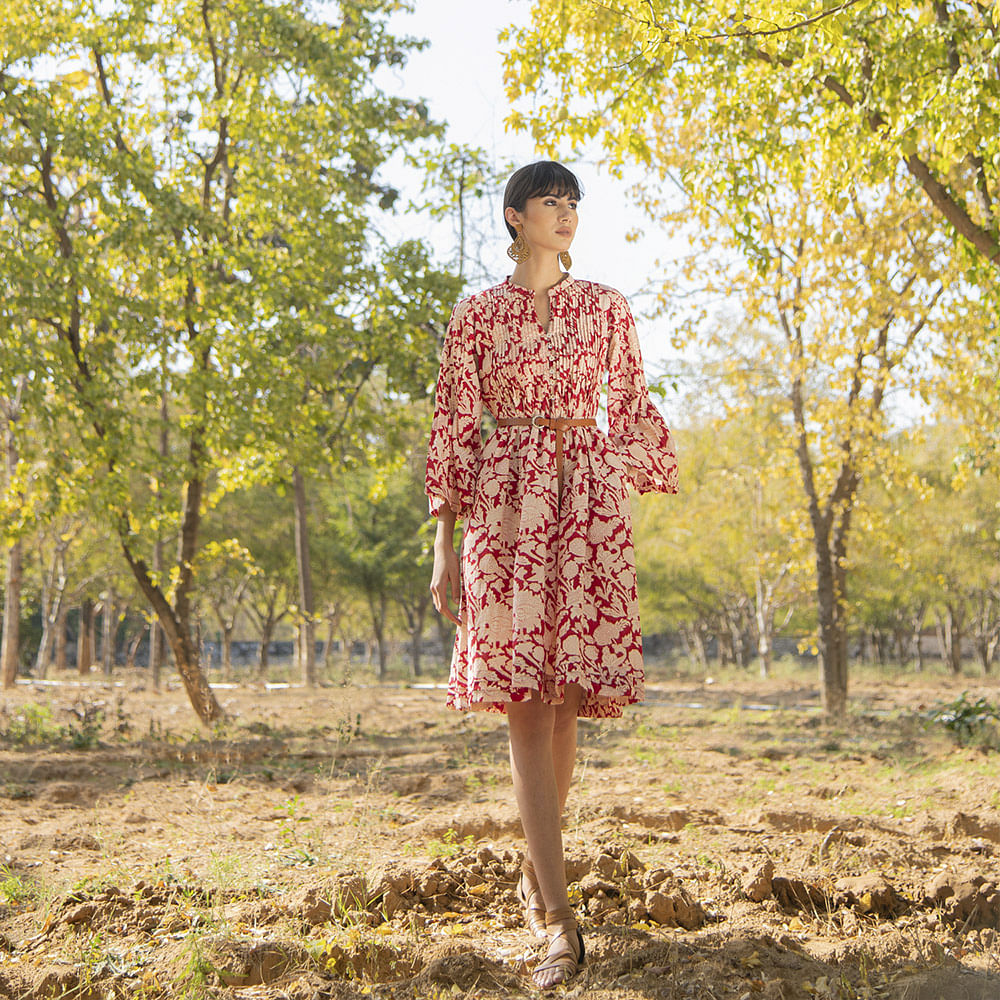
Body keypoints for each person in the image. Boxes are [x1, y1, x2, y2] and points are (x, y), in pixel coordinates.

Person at [425, 161, 678, 988]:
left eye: (574, 203)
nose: (567, 214)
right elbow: (456, 428)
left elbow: (632, 405)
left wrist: (620, 483)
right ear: (514, 217)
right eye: (551, 202)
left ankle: (538, 871)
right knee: (527, 705)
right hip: (505, 511)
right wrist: (442, 543)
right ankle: (561, 925)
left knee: (566, 702)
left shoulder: (606, 306)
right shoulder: (476, 315)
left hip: (585, 506)